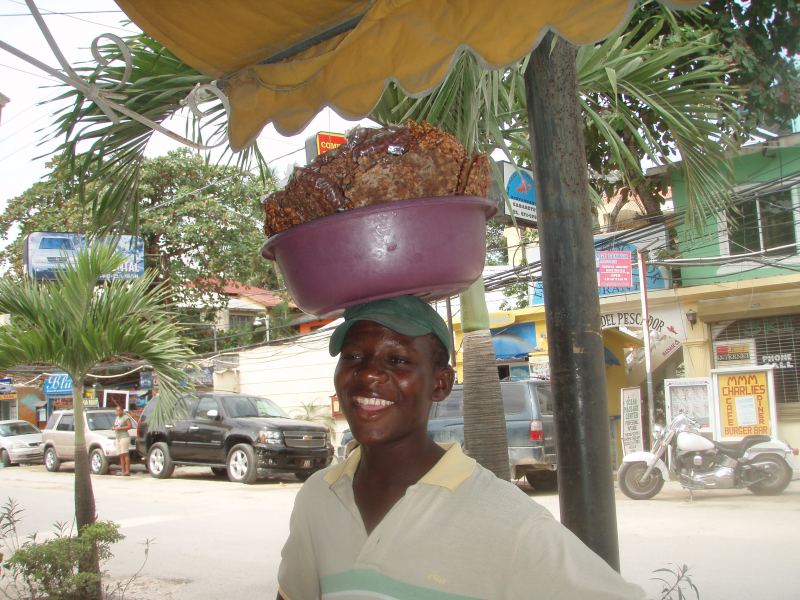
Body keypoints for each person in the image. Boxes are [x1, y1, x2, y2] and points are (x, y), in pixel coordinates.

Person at [277, 295, 645, 600]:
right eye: (354, 357)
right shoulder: (317, 498)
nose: (368, 373)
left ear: (441, 383)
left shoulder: (507, 519)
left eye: (398, 360)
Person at [112, 404, 133, 476]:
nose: (117, 412)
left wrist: (120, 428)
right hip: (118, 437)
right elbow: (116, 425)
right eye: (116, 411)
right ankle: (123, 471)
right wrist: (114, 427)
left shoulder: (125, 417)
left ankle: (127, 471)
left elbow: (130, 426)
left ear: (122, 411)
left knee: (125, 453)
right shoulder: (117, 418)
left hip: (124, 437)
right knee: (120, 454)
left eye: (119, 411)